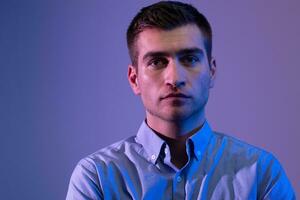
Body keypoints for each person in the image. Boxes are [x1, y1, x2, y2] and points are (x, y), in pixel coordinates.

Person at [66, 1, 295, 199]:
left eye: (189, 59)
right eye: (157, 62)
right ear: (134, 79)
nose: (174, 78)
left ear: (212, 71)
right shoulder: (96, 177)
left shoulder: (261, 174)